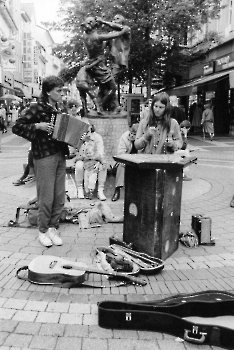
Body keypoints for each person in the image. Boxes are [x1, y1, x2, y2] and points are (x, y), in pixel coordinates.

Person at [12, 75, 69, 248]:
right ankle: (43, 230)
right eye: (58, 91)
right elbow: (17, 126)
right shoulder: (36, 107)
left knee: (59, 196)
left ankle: (53, 227)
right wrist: (38, 126)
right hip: (43, 156)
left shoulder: (58, 107)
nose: (62, 94)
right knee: (46, 196)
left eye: (62, 90)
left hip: (59, 154)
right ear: (48, 91)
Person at [81, 16, 130, 113]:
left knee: (108, 85)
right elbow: (101, 46)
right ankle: (110, 107)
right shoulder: (109, 35)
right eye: (114, 19)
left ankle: (105, 105)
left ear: (122, 22)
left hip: (118, 63)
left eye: (117, 19)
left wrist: (103, 22)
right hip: (108, 63)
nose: (114, 21)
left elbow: (121, 30)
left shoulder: (126, 32)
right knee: (106, 85)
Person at [73, 122, 107, 201]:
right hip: (83, 159)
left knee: (103, 166)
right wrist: (83, 142)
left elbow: (100, 152)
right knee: (79, 165)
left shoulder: (97, 137)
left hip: (95, 159)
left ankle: (100, 190)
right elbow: (77, 153)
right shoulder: (80, 138)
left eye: (88, 131)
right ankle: (80, 188)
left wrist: (98, 162)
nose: (86, 133)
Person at [111, 123, 139, 201]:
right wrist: (130, 147)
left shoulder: (142, 139)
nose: (132, 135)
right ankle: (117, 189)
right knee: (121, 165)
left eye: (135, 134)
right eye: (131, 133)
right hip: (127, 160)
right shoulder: (124, 137)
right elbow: (121, 154)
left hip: (138, 161)